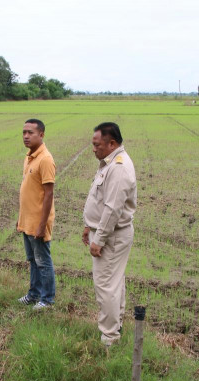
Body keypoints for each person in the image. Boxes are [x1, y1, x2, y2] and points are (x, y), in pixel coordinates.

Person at [82, 122, 136, 346]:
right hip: (105, 233)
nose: (93, 149)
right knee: (114, 283)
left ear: (111, 143)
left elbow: (113, 209)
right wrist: (89, 225)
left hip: (111, 236)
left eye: (97, 145)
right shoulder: (109, 163)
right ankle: (116, 328)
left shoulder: (119, 167)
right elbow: (100, 199)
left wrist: (99, 239)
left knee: (106, 286)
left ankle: (109, 338)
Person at [16, 119, 56, 309]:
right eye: (24, 132)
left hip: (39, 222)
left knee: (43, 261)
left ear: (41, 135)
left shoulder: (45, 159)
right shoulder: (30, 156)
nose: (26, 136)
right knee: (32, 260)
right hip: (27, 220)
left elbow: (49, 194)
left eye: (30, 132)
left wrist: (42, 224)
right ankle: (34, 294)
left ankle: (47, 300)